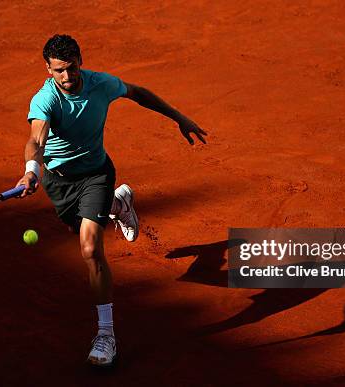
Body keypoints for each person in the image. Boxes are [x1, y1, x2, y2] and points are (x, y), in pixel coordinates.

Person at [14, 34, 207, 367]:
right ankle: (120, 205)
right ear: (48, 70)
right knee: (85, 227)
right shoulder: (44, 100)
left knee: (90, 248)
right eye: (58, 71)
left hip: (96, 174)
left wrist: (179, 118)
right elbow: (36, 139)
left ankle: (106, 335)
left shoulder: (101, 84)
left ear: (80, 62)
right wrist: (31, 170)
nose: (67, 77)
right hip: (58, 184)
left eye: (71, 68)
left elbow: (139, 93)